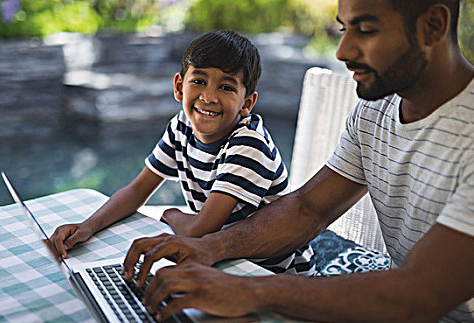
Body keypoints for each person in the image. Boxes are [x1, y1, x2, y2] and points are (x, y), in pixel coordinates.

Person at [121, 1, 474, 323]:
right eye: (344, 29)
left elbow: (420, 295)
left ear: (432, 26)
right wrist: (211, 247)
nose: (343, 52)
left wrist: (249, 291)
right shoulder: (378, 110)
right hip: (402, 320)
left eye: (365, 31)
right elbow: (306, 209)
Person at [50, 30, 316, 276]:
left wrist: (169, 214)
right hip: (219, 257)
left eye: (225, 87)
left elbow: (202, 228)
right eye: (199, 81)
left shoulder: (248, 145)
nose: (208, 97)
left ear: (246, 103)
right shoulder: (181, 127)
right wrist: (88, 226)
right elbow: (136, 191)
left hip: (270, 271)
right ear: (179, 86)